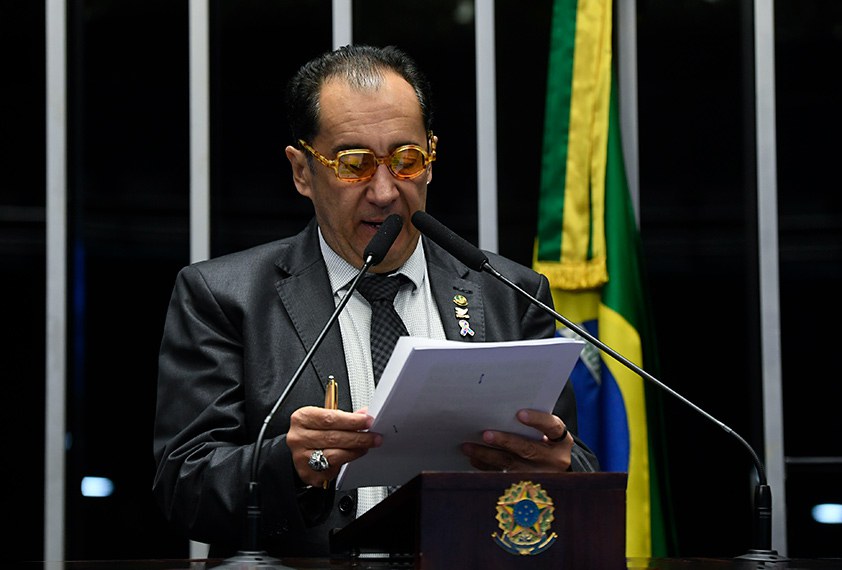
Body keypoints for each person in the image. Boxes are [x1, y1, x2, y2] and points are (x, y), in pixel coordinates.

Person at [152, 44, 599, 558]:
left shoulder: (510, 294)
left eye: (406, 159)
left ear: (431, 157)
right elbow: (181, 486)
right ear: (302, 171)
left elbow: (573, 467)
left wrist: (564, 468)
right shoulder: (226, 297)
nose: (385, 192)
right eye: (354, 163)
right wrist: (289, 464)